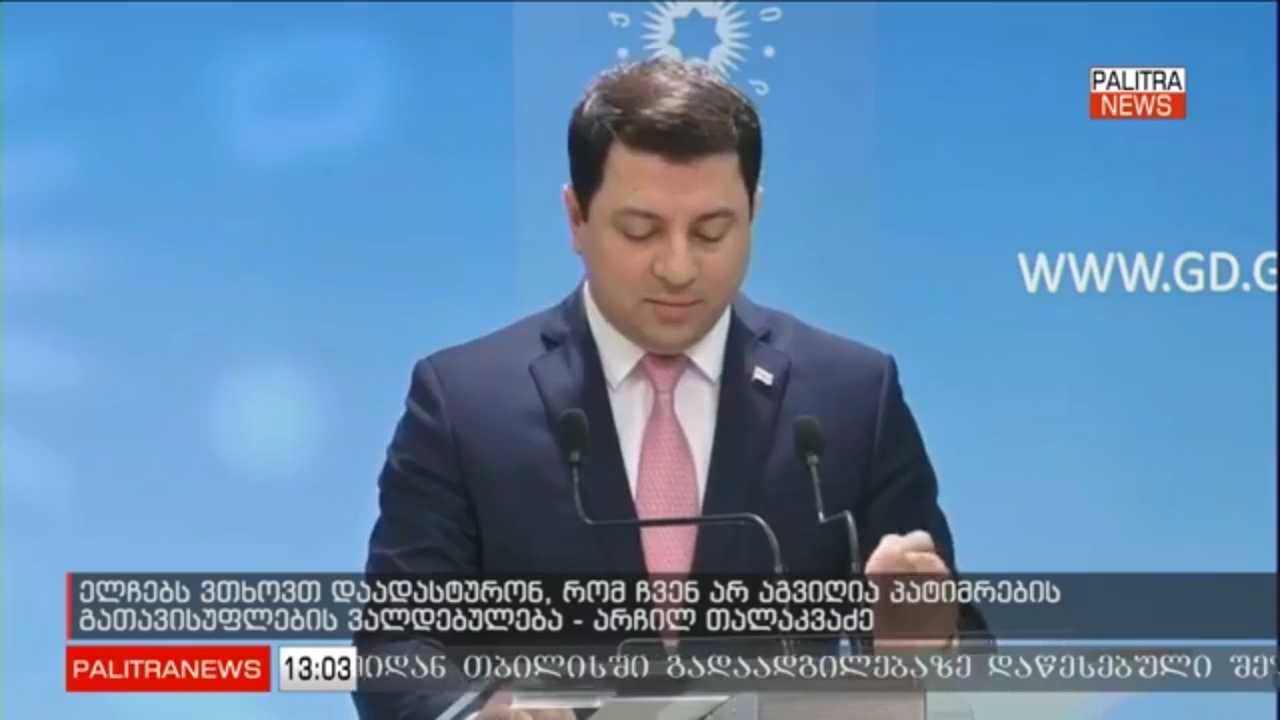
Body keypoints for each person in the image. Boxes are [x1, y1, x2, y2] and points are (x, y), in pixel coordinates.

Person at [355, 58, 984, 720]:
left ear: (754, 212)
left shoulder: (853, 396)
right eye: (641, 230)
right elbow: (395, 649)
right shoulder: (463, 401)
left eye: (712, 231)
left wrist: (920, 648)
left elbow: (961, 648)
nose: (679, 268)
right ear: (576, 217)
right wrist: (479, 714)